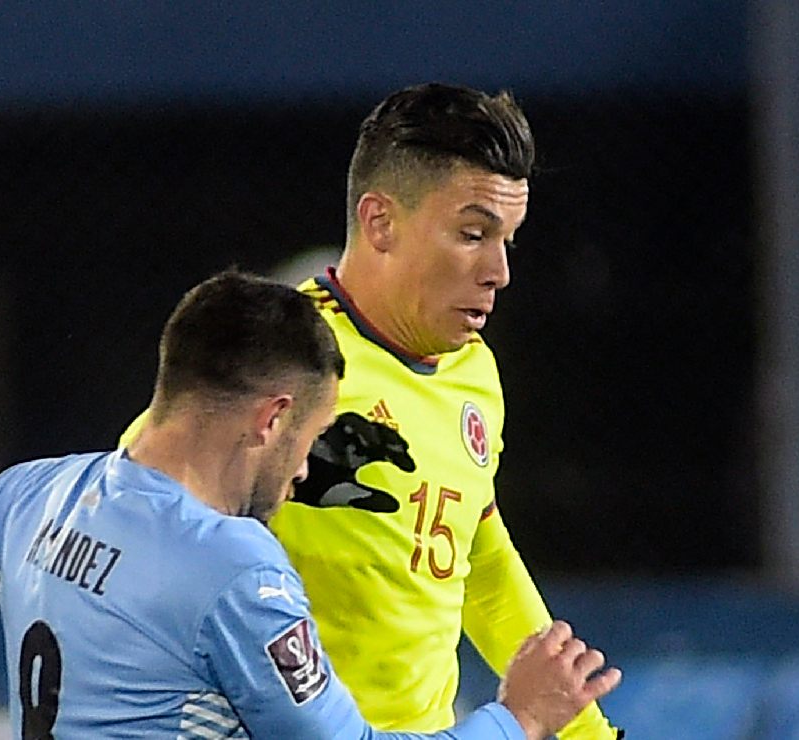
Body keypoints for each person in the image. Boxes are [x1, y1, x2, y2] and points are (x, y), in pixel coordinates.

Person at [0, 271, 620, 739]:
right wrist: (516, 718)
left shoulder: (43, 493)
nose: (304, 469)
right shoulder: (233, 568)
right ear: (271, 417)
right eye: (310, 436)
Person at [259, 83, 623, 738]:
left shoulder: (471, 371)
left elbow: (475, 558)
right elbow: (141, 516)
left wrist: (589, 733)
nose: (499, 271)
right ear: (380, 223)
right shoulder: (273, 362)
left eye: (507, 239)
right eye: (473, 234)